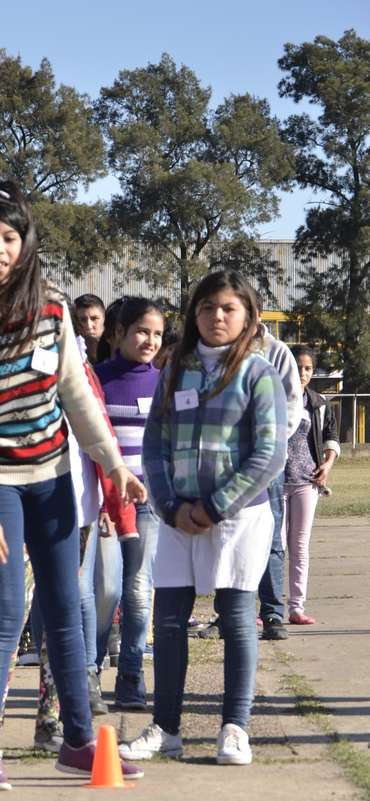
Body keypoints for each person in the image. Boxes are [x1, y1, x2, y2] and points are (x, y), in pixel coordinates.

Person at [0, 180, 146, 791]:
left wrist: (113, 464)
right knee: (5, 613)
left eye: (8, 237)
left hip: (52, 480)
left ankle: (77, 742)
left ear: (25, 244)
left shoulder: (53, 309)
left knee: (66, 612)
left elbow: (76, 395)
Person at [120, 270, 287, 768]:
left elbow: (270, 454)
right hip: (177, 518)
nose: (217, 316)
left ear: (248, 316)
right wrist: (170, 505)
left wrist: (215, 507)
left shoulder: (259, 373)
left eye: (229, 308)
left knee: (236, 618)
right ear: (194, 313)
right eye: (207, 307)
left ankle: (235, 728)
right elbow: (155, 444)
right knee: (169, 620)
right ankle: (166, 728)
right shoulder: (176, 369)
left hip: (237, 519)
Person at [93, 297, 165, 709]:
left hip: (148, 503)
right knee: (106, 590)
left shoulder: (166, 383)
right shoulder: (96, 379)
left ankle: (131, 676)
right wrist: (102, 502)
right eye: (142, 332)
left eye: (157, 334)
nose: (150, 341)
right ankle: (91, 671)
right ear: (118, 332)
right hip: (105, 504)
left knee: (138, 591)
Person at [253, 296, 304, 642]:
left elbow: (292, 406)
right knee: (227, 538)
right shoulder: (220, 351)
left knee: (271, 538)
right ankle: (227, 614)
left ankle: (271, 613)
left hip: (267, 463)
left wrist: (268, 447)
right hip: (227, 464)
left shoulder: (277, 351)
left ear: (257, 314)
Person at [283, 344, 340, 624]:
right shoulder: (273, 397)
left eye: (307, 368)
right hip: (276, 482)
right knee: (274, 546)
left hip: (308, 481)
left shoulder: (318, 403)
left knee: (299, 546)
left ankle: (296, 608)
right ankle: (267, 608)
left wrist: (327, 465)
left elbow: (331, 436)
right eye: (297, 367)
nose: (303, 373)